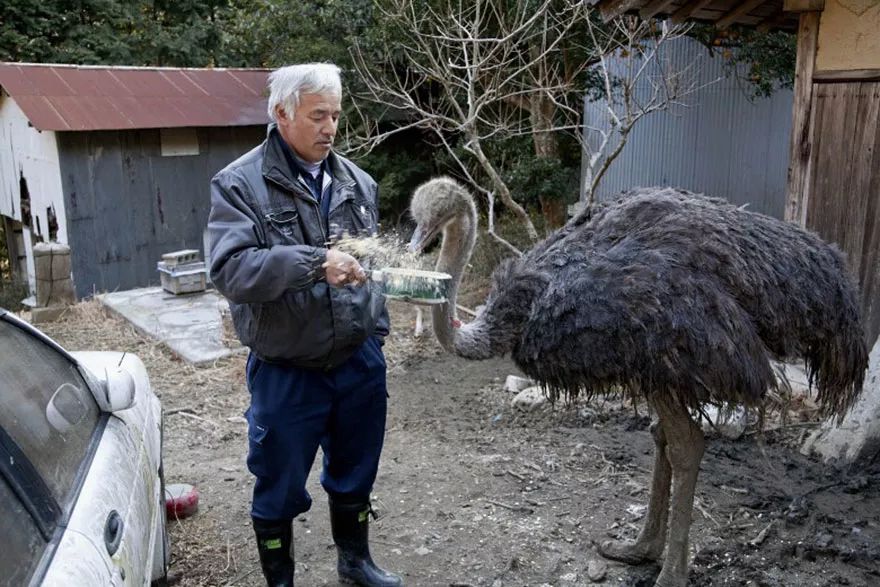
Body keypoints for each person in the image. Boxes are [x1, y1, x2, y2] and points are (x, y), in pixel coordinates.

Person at [207, 63, 401, 587]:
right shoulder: (239, 184)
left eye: (336, 115)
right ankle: (280, 581)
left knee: (356, 468)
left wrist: (375, 338)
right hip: (286, 369)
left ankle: (355, 563)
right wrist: (315, 262)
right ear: (281, 113)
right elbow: (230, 269)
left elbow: (373, 269)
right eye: (318, 115)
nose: (330, 128)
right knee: (278, 482)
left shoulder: (357, 183)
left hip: (357, 363)